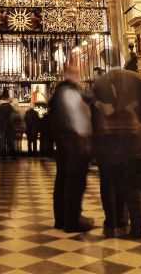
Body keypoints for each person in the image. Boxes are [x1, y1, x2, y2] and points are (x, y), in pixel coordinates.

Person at [91, 65, 141, 238]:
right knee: (128, 188)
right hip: (127, 152)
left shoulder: (101, 88)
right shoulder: (138, 86)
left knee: (117, 187)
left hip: (116, 152)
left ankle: (116, 222)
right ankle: (131, 223)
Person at [50, 64, 94, 233]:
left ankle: (61, 219)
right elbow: (78, 120)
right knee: (75, 182)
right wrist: (84, 137)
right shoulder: (69, 92)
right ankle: (72, 221)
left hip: (64, 142)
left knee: (62, 180)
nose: (78, 75)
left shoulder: (60, 92)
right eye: (75, 72)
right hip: (74, 142)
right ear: (67, 74)